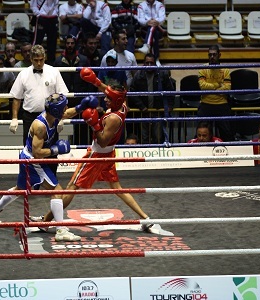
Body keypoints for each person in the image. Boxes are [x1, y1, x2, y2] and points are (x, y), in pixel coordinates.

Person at [30, 67, 174, 236]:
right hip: (108, 154)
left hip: (98, 155)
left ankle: (46, 222)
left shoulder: (113, 118)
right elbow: (110, 91)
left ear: (116, 100)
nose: (105, 98)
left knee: (71, 188)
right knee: (117, 188)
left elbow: (102, 139)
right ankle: (146, 219)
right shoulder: (122, 104)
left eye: (108, 98)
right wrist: (95, 82)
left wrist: (93, 123)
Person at [0, 93, 88, 242]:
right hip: (34, 160)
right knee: (57, 191)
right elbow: (37, 153)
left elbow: (67, 113)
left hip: (27, 157)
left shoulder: (54, 114)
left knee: (20, 188)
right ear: (56, 110)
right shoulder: (40, 125)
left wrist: (81, 107)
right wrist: (56, 150)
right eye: (63, 106)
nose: (66, 108)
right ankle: (61, 230)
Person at [9, 45, 68, 174]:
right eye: (36, 60)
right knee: (30, 150)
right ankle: (29, 180)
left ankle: (52, 179)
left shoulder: (54, 72)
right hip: (30, 117)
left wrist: (61, 118)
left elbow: (62, 95)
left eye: (41, 59)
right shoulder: (23, 74)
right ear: (30, 59)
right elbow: (17, 98)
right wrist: (14, 118)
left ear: (45, 58)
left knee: (52, 149)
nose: (39, 63)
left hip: (50, 117)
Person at [129, 53, 175, 144]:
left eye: (151, 63)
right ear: (144, 63)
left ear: (155, 64)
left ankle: (157, 157)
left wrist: (169, 105)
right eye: (147, 63)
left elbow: (170, 90)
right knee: (144, 137)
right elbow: (132, 92)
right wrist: (141, 106)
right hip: (143, 112)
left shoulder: (163, 74)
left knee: (158, 137)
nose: (149, 65)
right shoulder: (138, 75)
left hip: (158, 111)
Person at [198, 45, 234, 142]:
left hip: (221, 104)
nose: (212, 57)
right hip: (206, 103)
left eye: (214, 55)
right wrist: (218, 84)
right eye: (210, 55)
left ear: (219, 55)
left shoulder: (225, 70)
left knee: (227, 133)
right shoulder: (202, 69)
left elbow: (227, 88)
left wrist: (211, 88)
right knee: (201, 132)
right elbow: (202, 86)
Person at [30, 0, 59, 65]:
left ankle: (51, 63)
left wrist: (55, 13)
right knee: (37, 41)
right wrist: (38, 14)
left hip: (52, 17)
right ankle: (34, 60)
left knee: (52, 43)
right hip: (41, 17)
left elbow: (56, 4)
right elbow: (33, 5)